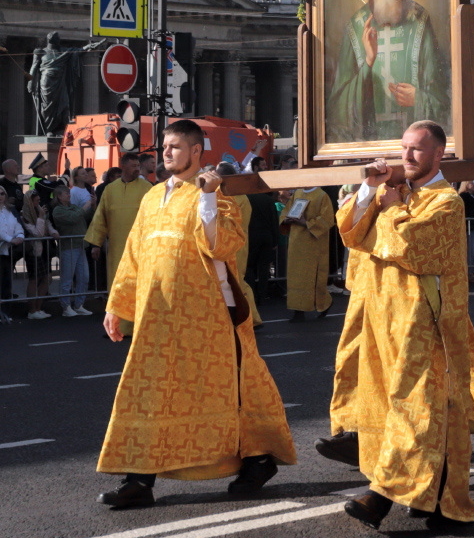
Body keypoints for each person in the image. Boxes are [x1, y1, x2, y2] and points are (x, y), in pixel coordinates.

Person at [95, 119, 295, 509]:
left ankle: (257, 460)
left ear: (196, 152)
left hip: (205, 321)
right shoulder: (152, 197)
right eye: (164, 147)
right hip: (156, 319)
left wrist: (206, 196)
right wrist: (117, 304)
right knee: (148, 395)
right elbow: (134, 255)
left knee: (227, 391)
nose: (166, 153)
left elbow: (224, 245)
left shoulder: (218, 196)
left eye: (175, 147)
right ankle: (138, 478)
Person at [336, 121, 474, 529]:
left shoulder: (447, 202)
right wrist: (371, 191)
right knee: (401, 411)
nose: (406, 156)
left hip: (425, 326)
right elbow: (351, 233)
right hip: (383, 322)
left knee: (418, 412)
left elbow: (408, 248)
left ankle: (380, 496)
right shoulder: (392, 193)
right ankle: (436, 501)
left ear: (439, 154)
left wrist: (387, 211)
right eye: (404, 148)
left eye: (417, 150)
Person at [329, 0, 448, 142]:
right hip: (367, 141)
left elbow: (442, 95)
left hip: (417, 142)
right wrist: (368, 62)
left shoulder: (419, 19)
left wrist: (418, 99)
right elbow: (338, 105)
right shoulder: (356, 26)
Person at [85, 152, 152, 337]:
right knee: (117, 287)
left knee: (138, 288)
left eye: (138, 165)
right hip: (116, 250)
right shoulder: (110, 189)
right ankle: (117, 327)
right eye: (133, 166)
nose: (137, 169)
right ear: (123, 166)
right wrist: (96, 244)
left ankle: (137, 329)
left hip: (141, 249)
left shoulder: (147, 188)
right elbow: (100, 218)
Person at [216, 162, 264, 327]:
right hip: (227, 244)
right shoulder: (227, 194)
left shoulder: (238, 197)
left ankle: (253, 318)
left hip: (236, 246)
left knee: (238, 281)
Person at [279, 184, 334, 321]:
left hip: (313, 244)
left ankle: (324, 303)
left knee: (311, 277)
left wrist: (306, 222)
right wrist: (286, 219)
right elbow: (286, 211)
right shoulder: (297, 193)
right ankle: (298, 310)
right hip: (296, 242)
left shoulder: (321, 195)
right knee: (295, 277)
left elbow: (327, 219)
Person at [50, 184, 93, 316]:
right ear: (59, 196)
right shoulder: (57, 210)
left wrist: (93, 204)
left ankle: (79, 304)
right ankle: (66, 306)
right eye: (65, 193)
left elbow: (85, 215)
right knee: (67, 279)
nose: (69, 195)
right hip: (68, 248)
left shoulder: (73, 207)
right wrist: (86, 206)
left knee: (84, 277)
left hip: (80, 246)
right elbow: (74, 218)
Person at [21, 188, 59, 319]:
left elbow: (47, 225)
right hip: (33, 251)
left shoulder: (40, 211)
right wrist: (41, 217)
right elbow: (38, 233)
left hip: (44, 250)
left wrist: (53, 231)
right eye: (36, 200)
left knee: (47, 278)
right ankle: (32, 310)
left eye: (38, 200)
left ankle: (38, 307)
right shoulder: (25, 215)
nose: (38, 202)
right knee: (34, 279)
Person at [246, 190, 280, 310]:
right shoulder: (269, 200)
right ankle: (262, 295)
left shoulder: (247, 198)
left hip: (251, 237)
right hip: (267, 237)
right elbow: (274, 221)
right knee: (264, 267)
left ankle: (252, 295)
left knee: (249, 266)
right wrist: (275, 240)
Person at [0, 187, 25, 320]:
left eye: (2, 193)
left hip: (6, 252)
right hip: (3, 246)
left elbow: (17, 225)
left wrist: (20, 235)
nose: (0, 196)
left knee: (6, 284)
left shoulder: (10, 210)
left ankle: (5, 313)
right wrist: (11, 239)